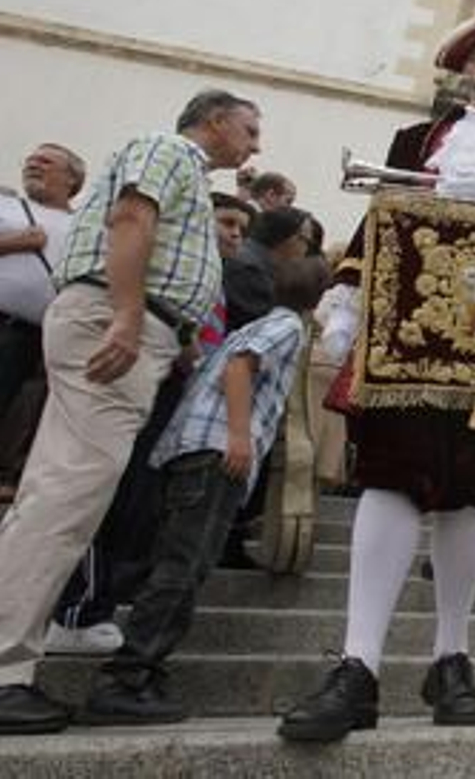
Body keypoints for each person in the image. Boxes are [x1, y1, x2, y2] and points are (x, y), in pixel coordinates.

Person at [278, 0, 475, 743]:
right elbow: (380, 222)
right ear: (467, 65)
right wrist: (345, 302)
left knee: (473, 494)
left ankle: (451, 653)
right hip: (410, 338)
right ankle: (359, 664)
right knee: (392, 477)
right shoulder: (415, 138)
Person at [0, 89, 260, 735]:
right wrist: (126, 312)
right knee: (68, 496)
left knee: (55, 490)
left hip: (134, 331)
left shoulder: (185, 171)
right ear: (216, 121)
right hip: (115, 326)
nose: (255, 144)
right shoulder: (170, 149)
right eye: (250, 128)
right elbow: (130, 219)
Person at [78, 257, 326, 724]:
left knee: (179, 561)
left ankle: (144, 671)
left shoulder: (258, 320)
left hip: (187, 449)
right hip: (214, 452)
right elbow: (240, 366)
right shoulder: (288, 326)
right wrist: (237, 435)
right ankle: (127, 676)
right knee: (183, 567)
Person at [0, 143, 85, 500]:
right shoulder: (6, 207)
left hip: (54, 333)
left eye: (46, 162)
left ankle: (11, 478)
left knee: (34, 408)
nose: (34, 164)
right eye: (31, 160)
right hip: (5, 325)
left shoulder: (84, 225)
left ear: (72, 179)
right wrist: (17, 241)